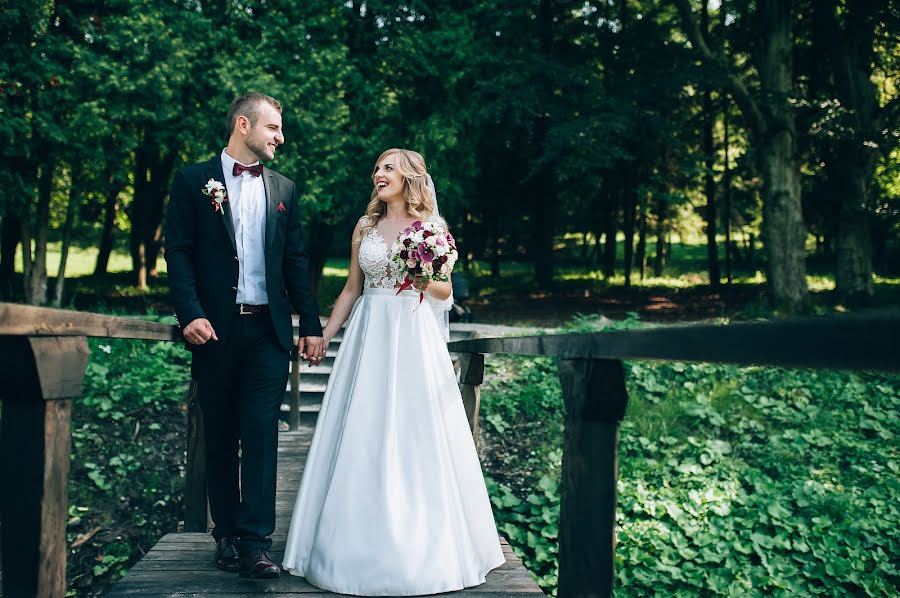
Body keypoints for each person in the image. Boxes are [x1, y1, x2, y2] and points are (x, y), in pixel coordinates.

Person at [281, 148, 505, 595]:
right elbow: (351, 289)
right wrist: (325, 335)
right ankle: (347, 543)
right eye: (377, 167)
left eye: (387, 167)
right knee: (362, 429)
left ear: (409, 177)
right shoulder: (365, 227)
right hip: (369, 335)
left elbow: (443, 290)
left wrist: (417, 272)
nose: (377, 173)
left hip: (413, 335)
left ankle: (423, 543)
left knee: (415, 431)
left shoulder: (432, 229)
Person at [165, 92, 325, 579]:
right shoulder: (194, 181)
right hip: (214, 330)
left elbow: (295, 262)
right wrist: (189, 313)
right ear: (243, 125)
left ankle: (257, 542)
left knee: (260, 433)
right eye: (273, 128)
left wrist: (312, 325)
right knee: (221, 433)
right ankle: (227, 536)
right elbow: (179, 252)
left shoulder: (284, 189)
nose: (281, 137)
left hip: (268, 331)